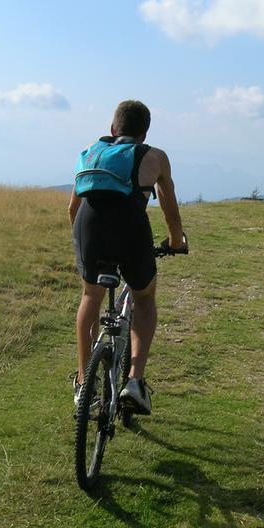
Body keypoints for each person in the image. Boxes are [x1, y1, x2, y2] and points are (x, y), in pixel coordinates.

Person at [68, 100, 187, 415]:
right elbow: (169, 207)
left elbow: (72, 209)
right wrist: (176, 240)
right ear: (145, 133)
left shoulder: (91, 152)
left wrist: (83, 246)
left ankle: (83, 383)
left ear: (112, 129)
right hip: (130, 228)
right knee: (144, 298)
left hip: (88, 227)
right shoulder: (154, 157)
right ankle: (134, 382)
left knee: (90, 296)